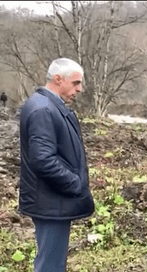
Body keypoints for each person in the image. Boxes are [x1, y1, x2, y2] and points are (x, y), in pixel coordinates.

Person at [19, 58, 95, 272]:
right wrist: (74, 183)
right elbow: (43, 159)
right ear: (58, 79)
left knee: (52, 262)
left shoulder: (49, 106)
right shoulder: (43, 109)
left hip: (52, 200)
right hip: (50, 202)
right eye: (75, 83)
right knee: (50, 265)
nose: (79, 89)